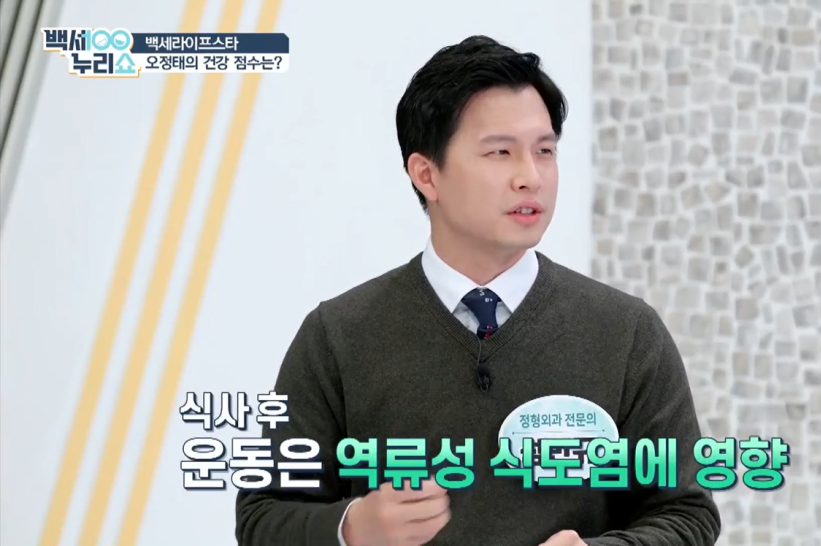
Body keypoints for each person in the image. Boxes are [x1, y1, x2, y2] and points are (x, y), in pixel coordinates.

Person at [235, 35, 721, 546]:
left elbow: (686, 513)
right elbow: (263, 517)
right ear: (427, 174)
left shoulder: (626, 333)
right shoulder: (338, 336)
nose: (530, 177)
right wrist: (350, 528)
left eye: (544, 151)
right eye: (500, 152)